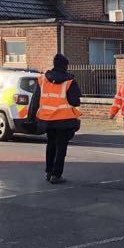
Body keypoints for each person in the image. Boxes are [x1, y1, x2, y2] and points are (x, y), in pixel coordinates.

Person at [29, 53, 82, 184]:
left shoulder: (42, 79)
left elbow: (35, 100)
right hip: (64, 120)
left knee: (51, 145)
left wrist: (30, 118)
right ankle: (56, 175)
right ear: (65, 66)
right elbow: (75, 102)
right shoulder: (70, 81)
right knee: (61, 147)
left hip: (47, 119)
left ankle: (48, 171)